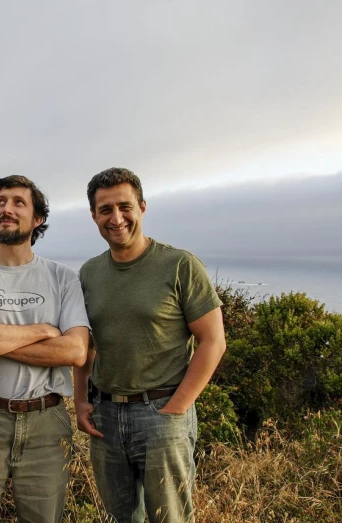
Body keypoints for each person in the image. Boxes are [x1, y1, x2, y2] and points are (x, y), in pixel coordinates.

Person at [73, 168, 226, 523]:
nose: (117, 218)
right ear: (94, 215)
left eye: (125, 207)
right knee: (118, 518)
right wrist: (80, 400)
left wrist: (176, 408)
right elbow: (86, 345)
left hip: (161, 412)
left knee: (169, 518)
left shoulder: (179, 265)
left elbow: (213, 341)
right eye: (106, 210)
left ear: (141, 207)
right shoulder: (89, 273)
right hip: (105, 417)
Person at [0, 175, 91, 523]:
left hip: (47, 423)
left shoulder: (62, 278)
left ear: (37, 219)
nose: (6, 209)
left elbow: (75, 351)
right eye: (1, 202)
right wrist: (42, 331)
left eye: (18, 202)